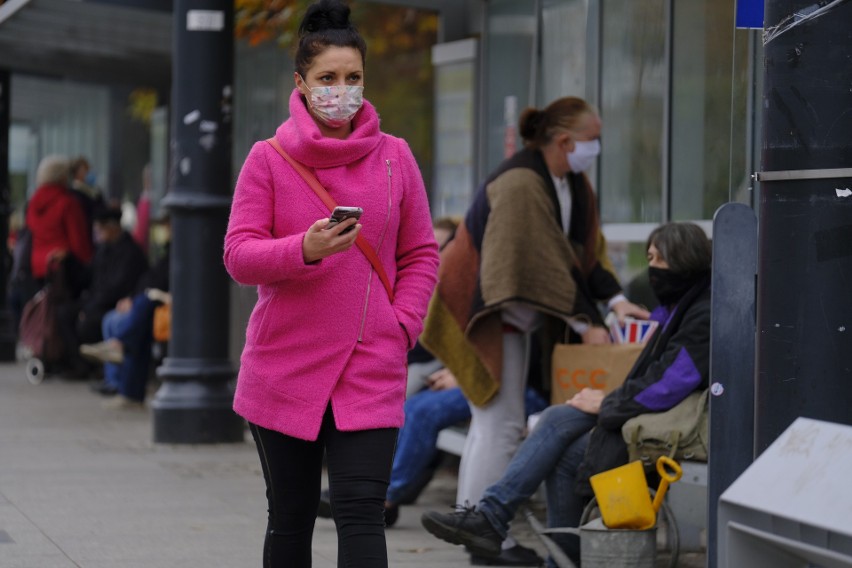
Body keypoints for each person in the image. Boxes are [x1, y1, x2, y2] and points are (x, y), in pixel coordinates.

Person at [222, 1, 439, 566]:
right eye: (327, 78)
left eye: (353, 78)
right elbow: (239, 256)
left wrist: (403, 325)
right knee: (290, 519)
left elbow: (420, 253)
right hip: (284, 365)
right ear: (301, 82)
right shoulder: (266, 160)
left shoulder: (396, 158)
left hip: (371, 364)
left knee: (363, 512)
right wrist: (303, 250)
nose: (340, 91)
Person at [419, 97, 648, 563]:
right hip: (483, 311)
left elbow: (583, 256)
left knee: (495, 424)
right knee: (496, 423)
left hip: (512, 316)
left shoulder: (571, 183)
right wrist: (587, 322)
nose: (597, 147)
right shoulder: (522, 182)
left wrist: (618, 301)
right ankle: (486, 537)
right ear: (564, 141)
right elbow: (537, 266)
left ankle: (480, 532)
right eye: (593, 138)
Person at [420, 222, 713, 567]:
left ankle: (500, 522)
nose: (650, 269)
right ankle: (507, 526)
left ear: (681, 259)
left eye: (655, 259)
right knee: (562, 432)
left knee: (564, 437)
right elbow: (662, 380)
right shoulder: (683, 305)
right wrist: (609, 399)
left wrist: (608, 402)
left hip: (674, 426)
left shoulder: (701, 312)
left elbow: (671, 382)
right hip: (655, 416)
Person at [55, 206, 148, 377]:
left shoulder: (130, 252)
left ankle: (100, 370)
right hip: (95, 301)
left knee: (90, 322)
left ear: (112, 228)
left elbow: (117, 288)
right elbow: (86, 276)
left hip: (112, 303)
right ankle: (80, 364)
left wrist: (88, 308)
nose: (97, 234)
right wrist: (69, 261)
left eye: (100, 229)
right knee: (64, 313)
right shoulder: (103, 250)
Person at [26, 155, 93, 291]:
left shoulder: (34, 203)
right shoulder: (67, 203)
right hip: (62, 266)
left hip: (37, 265)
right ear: (62, 177)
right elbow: (78, 241)